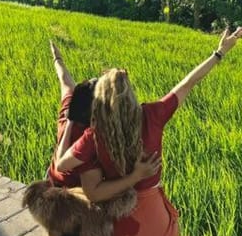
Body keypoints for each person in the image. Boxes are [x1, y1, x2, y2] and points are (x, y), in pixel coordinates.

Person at [56, 26, 242, 236]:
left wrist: (70, 124)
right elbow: (188, 83)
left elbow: (66, 168)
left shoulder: (94, 134)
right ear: (131, 96)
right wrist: (219, 53)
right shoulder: (152, 115)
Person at [47, 42, 159, 189]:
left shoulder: (69, 110)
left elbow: (65, 80)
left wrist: (57, 58)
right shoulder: (93, 141)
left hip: (51, 180)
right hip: (73, 197)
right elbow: (95, 188)